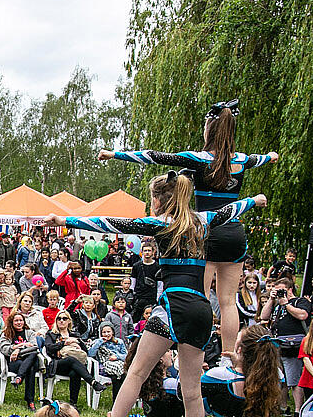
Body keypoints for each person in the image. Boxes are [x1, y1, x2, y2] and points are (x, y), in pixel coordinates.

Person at [46, 174, 267, 417]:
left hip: (172, 307)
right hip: (200, 310)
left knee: (137, 372)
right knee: (193, 392)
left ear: (159, 200)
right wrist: (254, 200)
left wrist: (64, 220)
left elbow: (111, 223)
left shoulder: (160, 224)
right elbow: (232, 209)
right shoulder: (203, 220)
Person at [100, 99, 279, 356]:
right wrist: (272, 157)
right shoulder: (242, 160)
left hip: (205, 231)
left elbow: (154, 157)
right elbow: (264, 158)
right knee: (229, 301)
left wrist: (114, 154)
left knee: (201, 297)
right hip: (234, 232)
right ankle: (229, 355)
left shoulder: (199, 159)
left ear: (209, 130)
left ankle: (197, 352)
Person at [262, 276, 312, 417]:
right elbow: (264, 316)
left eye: (281, 291)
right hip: (278, 346)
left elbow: (303, 315)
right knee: (280, 379)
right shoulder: (276, 305)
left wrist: (286, 303)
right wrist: (272, 300)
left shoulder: (300, 301)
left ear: (290, 289)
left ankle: (298, 413)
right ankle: (282, 407)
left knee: (294, 381)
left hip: (294, 347)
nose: (278, 293)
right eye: (276, 290)